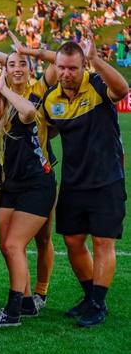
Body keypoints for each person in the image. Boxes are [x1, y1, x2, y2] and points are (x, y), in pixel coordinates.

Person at [42, 38, 128, 327]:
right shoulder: (52, 99)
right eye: (62, 68)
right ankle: (91, 297)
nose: (67, 73)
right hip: (73, 182)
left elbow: (122, 89)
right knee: (73, 241)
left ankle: (99, 304)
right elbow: (49, 131)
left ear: (83, 67)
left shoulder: (96, 84)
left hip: (106, 179)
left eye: (73, 68)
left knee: (103, 241)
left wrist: (98, 60)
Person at [0, 77, 56, 327]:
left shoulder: (17, 117)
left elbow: (30, 109)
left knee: (12, 244)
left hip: (37, 185)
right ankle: (27, 301)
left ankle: (13, 311)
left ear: (4, 104)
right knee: (8, 245)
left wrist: (4, 89)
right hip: (12, 187)